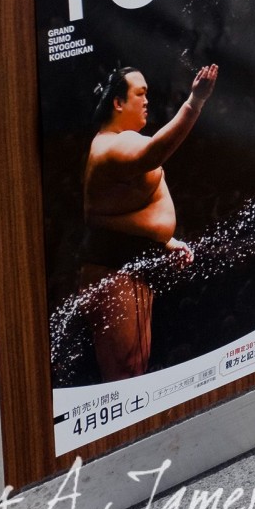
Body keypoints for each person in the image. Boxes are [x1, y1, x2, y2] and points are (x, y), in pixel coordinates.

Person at [80, 63, 217, 380]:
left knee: (138, 364)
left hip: (131, 268)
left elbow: (119, 211)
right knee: (124, 371)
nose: (146, 101)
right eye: (139, 94)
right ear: (118, 103)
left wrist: (165, 241)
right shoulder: (108, 146)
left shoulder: (123, 142)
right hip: (111, 271)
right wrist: (194, 102)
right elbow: (155, 152)